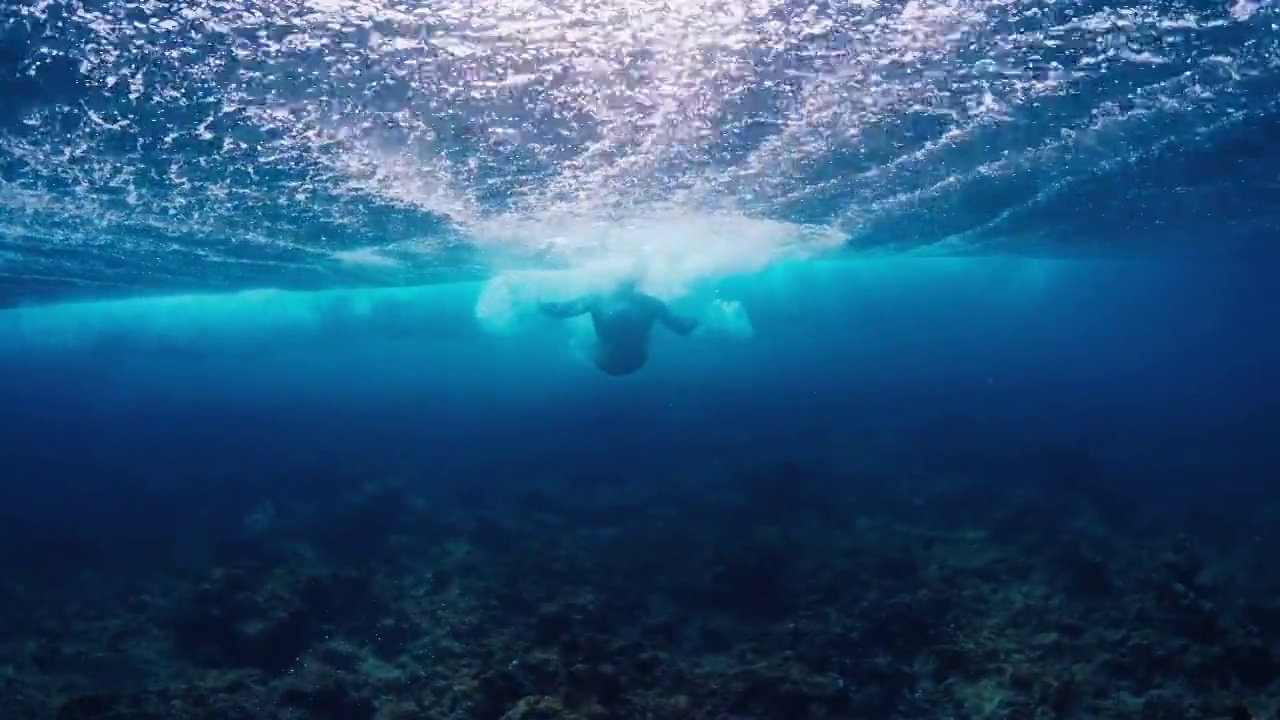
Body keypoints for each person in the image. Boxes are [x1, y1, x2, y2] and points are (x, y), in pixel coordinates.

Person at [539, 279, 700, 376]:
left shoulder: (597, 298)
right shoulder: (651, 303)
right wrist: (701, 321)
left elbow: (560, 311)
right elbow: (682, 329)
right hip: (635, 360)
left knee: (581, 341)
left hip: (609, 360)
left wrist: (535, 305)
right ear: (636, 283)